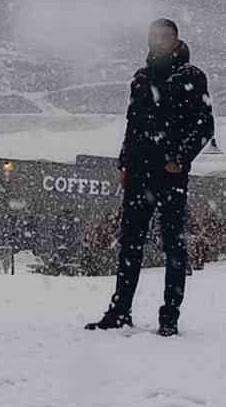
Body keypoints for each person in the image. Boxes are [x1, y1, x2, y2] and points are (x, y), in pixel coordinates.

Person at [86, 18, 215, 337]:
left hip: (170, 175)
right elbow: (132, 125)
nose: (157, 41)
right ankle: (120, 312)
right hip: (139, 174)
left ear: (176, 40)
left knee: (174, 244)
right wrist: (125, 166)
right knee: (130, 244)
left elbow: (204, 126)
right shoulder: (141, 78)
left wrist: (179, 159)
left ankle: (169, 316)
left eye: (163, 36)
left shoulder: (192, 76)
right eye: (153, 36)